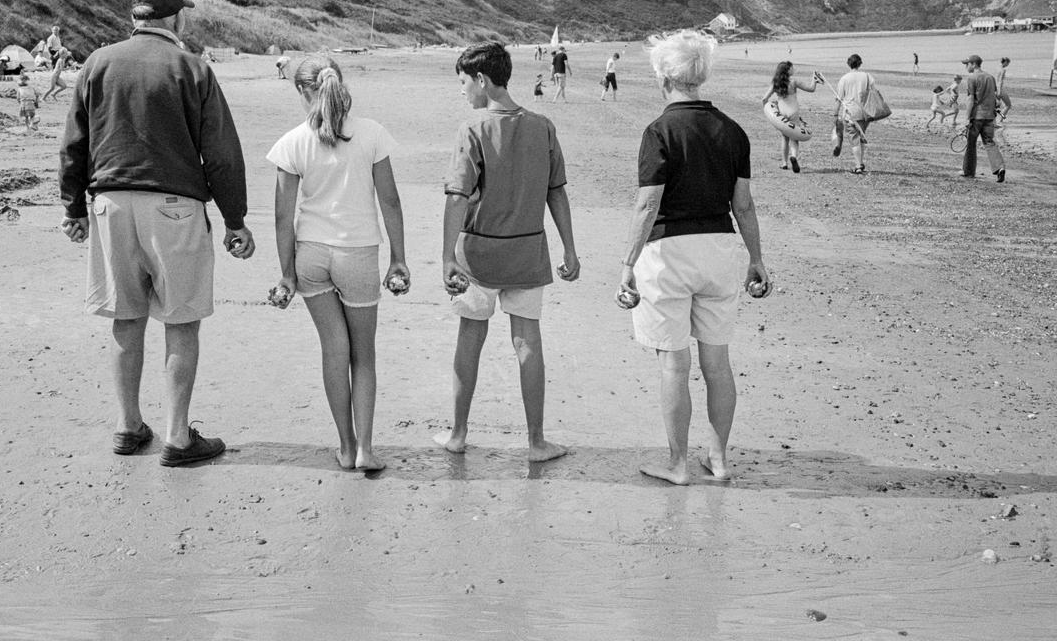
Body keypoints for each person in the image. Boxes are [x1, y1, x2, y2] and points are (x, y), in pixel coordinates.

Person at [58, 0, 254, 467]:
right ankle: (176, 437)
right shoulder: (192, 68)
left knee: (127, 319)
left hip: (110, 203)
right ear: (176, 19)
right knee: (181, 321)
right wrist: (235, 220)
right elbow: (222, 153)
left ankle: (128, 426)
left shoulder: (97, 63)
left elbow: (73, 144)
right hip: (173, 205)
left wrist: (72, 208)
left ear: (135, 17)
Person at [616, 29, 768, 485]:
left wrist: (626, 265)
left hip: (668, 253)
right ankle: (718, 459)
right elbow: (743, 204)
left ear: (664, 76)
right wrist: (757, 259)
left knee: (673, 364)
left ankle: (678, 464)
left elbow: (648, 205)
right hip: (720, 247)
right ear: (701, 76)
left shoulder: (659, 131)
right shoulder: (733, 130)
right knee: (717, 363)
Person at [433, 42, 580, 462]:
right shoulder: (543, 126)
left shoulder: (473, 129)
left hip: (478, 256)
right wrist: (569, 248)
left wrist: (446, 258)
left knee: (470, 339)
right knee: (528, 342)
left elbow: (457, 196)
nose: (463, 91)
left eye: (464, 82)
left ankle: (459, 434)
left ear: (481, 79)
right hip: (528, 253)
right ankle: (536, 442)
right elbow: (558, 193)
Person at [266, 55, 408, 472]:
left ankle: (345, 448)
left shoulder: (292, 142)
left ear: (301, 91)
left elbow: (281, 216)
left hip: (311, 255)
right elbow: (391, 201)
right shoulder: (371, 134)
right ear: (339, 84)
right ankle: (365, 449)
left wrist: (287, 273)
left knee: (333, 350)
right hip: (358, 254)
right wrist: (399, 259)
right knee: (363, 356)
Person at [759, 61, 820, 172]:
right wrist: (814, 80)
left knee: (784, 137)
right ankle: (793, 156)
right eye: (792, 68)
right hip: (793, 112)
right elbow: (811, 89)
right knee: (794, 138)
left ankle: (784, 163)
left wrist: (768, 112)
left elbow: (764, 99)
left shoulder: (775, 83)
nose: (794, 69)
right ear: (787, 70)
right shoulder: (793, 81)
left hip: (781, 113)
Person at [960, 54, 1006, 182]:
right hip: (990, 116)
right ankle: (1000, 168)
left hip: (976, 116)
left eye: (967, 64)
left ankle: (968, 171)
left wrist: (966, 118)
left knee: (971, 143)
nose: (965, 66)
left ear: (974, 64)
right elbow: (995, 97)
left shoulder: (972, 78)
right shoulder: (990, 77)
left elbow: (970, 99)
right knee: (989, 142)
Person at [832, 53, 874, 174]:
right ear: (860, 63)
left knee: (854, 138)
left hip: (850, 112)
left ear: (849, 64)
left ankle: (858, 166)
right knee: (861, 136)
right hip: (865, 112)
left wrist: (835, 114)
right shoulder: (867, 76)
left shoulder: (844, 79)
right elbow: (873, 91)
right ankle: (860, 162)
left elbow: (839, 99)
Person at [996, 57, 1012, 122]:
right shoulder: (1003, 70)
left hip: (995, 89)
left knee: (996, 106)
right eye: (1008, 63)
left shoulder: (997, 68)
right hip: (1000, 89)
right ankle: (1000, 120)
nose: (1008, 65)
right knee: (1008, 105)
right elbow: (1000, 81)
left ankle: (995, 121)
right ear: (1005, 62)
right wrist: (999, 91)